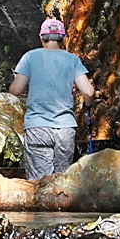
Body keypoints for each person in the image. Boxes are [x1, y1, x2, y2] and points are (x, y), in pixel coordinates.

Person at [8, 17, 95, 179]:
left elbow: (16, 90)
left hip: (37, 127)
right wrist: (88, 106)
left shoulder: (29, 57)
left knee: (39, 185)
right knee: (60, 183)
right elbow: (88, 93)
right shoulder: (72, 60)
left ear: (41, 38)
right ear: (63, 39)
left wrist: (16, 78)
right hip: (64, 129)